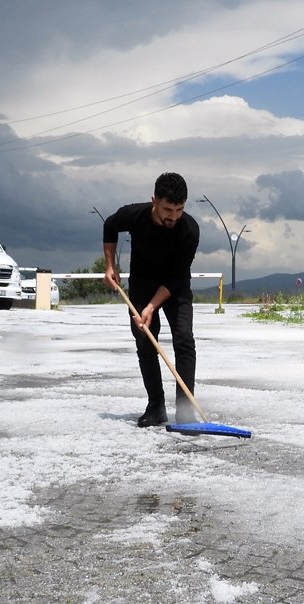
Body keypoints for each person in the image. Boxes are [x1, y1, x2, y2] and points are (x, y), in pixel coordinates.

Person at [103, 172, 200, 427]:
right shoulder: (133, 215)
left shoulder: (189, 229)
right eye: (168, 209)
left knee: (184, 340)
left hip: (174, 286)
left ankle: (185, 411)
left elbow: (178, 275)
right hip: (142, 283)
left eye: (179, 209)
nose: (174, 216)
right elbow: (109, 226)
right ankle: (156, 406)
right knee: (146, 341)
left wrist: (151, 307)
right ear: (154, 200)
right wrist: (110, 265)